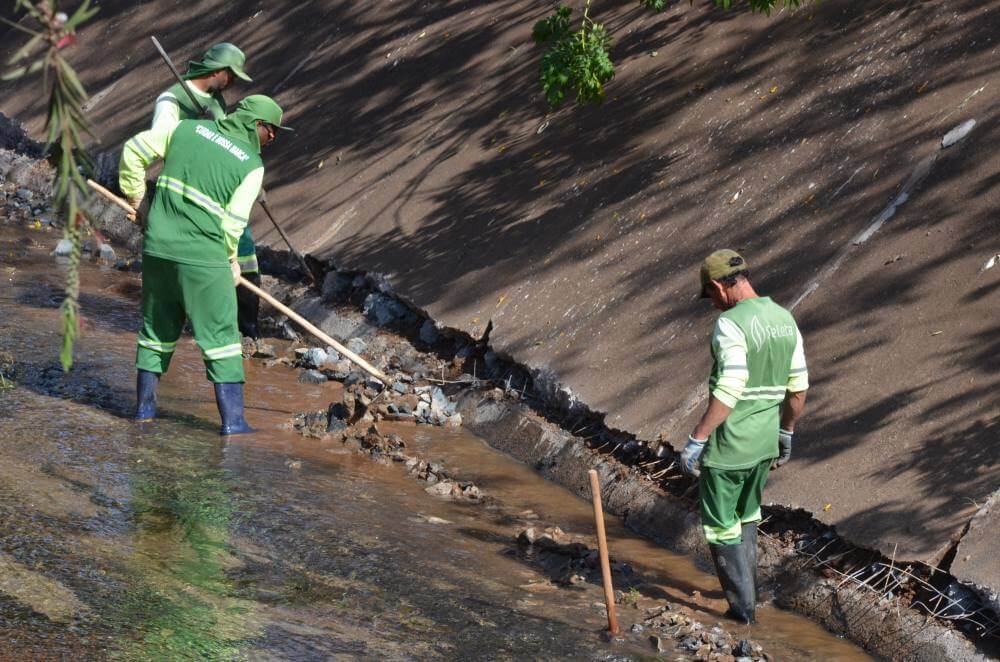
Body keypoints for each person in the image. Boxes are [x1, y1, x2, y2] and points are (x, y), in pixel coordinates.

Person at [119, 95, 291, 434]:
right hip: (204, 258)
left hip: (157, 248)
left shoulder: (184, 129)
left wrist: (140, 203)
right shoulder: (251, 165)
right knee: (222, 338)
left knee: (156, 330)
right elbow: (233, 223)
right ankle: (234, 424)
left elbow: (133, 151)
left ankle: (143, 413)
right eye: (272, 133)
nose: (272, 140)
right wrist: (230, 261)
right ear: (257, 125)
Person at [678, 249, 809, 623]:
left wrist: (698, 438)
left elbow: (730, 387)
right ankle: (750, 602)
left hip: (729, 447)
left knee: (720, 527)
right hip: (764, 445)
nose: (714, 306)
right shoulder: (784, 319)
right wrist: (786, 432)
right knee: (747, 515)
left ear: (719, 286)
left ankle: (743, 615)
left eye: (711, 297)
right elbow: (798, 387)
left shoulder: (730, 324)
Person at [151, 42, 263, 339]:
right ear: (219, 71)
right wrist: (197, 135)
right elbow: (162, 144)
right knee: (199, 259)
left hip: (223, 189)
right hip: (188, 193)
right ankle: (199, 322)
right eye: (232, 75)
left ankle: (248, 328)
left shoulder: (216, 102)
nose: (234, 82)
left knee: (245, 249)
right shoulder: (172, 100)